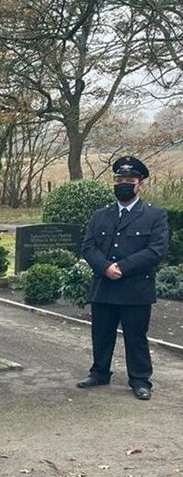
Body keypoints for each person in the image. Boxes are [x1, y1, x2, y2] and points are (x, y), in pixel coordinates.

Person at [77, 156, 169, 400]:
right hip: (104, 285)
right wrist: (105, 267)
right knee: (101, 333)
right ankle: (99, 372)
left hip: (135, 288)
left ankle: (140, 379)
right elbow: (88, 246)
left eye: (129, 180)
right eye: (119, 179)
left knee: (136, 337)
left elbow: (155, 250)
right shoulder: (100, 215)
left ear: (140, 184)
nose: (123, 184)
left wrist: (123, 267)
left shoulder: (155, 215)